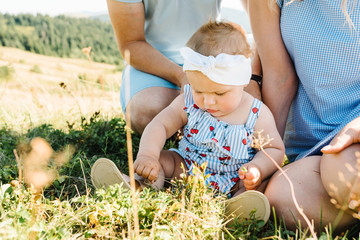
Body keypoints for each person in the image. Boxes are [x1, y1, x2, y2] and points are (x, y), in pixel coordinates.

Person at [91, 21, 285, 222]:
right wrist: (148, 154)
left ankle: (235, 208)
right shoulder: (188, 101)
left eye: (220, 92)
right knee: (164, 161)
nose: (208, 101)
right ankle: (138, 187)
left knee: (257, 186)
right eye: (199, 90)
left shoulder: (256, 113)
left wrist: (257, 169)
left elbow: (274, 149)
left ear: (242, 81)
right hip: (186, 167)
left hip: (235, 178)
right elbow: (160, 125)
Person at [247, 0, 360, 232]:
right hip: (313, 141)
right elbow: (279, 78)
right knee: (283, 199)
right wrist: (267, 156)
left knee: (345, 174)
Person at [106, 0, 261, 134]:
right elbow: (131, 44)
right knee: (147, 111)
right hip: (153, 63)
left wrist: (254, 77)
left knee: (252, 107)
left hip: (211, 56)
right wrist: (183, 76)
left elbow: (263, 19)